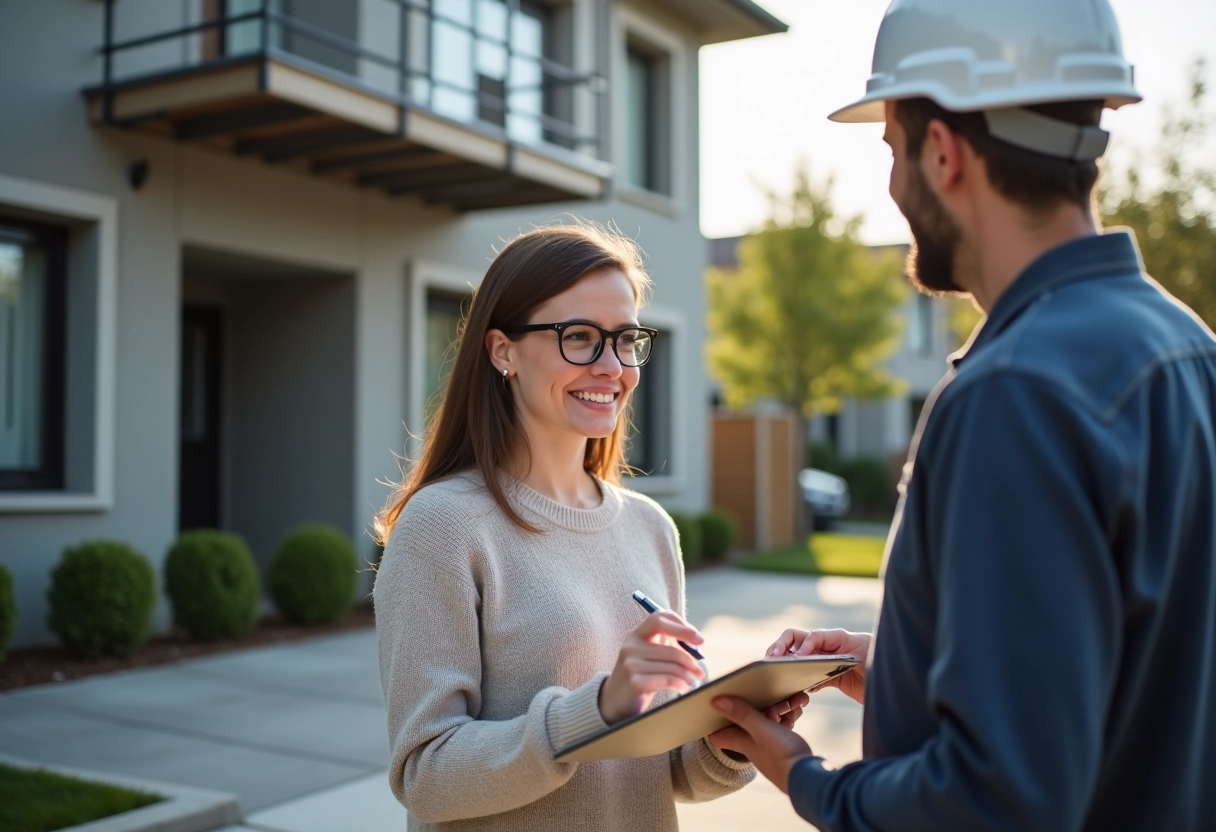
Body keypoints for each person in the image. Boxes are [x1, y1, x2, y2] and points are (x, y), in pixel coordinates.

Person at [709, 1, 1216, 830]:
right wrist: (909, 672)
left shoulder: (1014, 392)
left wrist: (806, 778)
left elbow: (991, 801)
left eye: (891, 149)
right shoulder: (1187, 349)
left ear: (941, 152)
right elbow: (1137, 680)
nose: (891, 186)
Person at [372, 224, 793, 832]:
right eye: (579, 338)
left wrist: (730, 734)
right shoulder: (443, 526)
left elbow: (658, 768)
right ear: (502, 351)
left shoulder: (650, 527)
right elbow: (425, 777)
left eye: (626, 340)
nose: (611, 366)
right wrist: (594, 708)